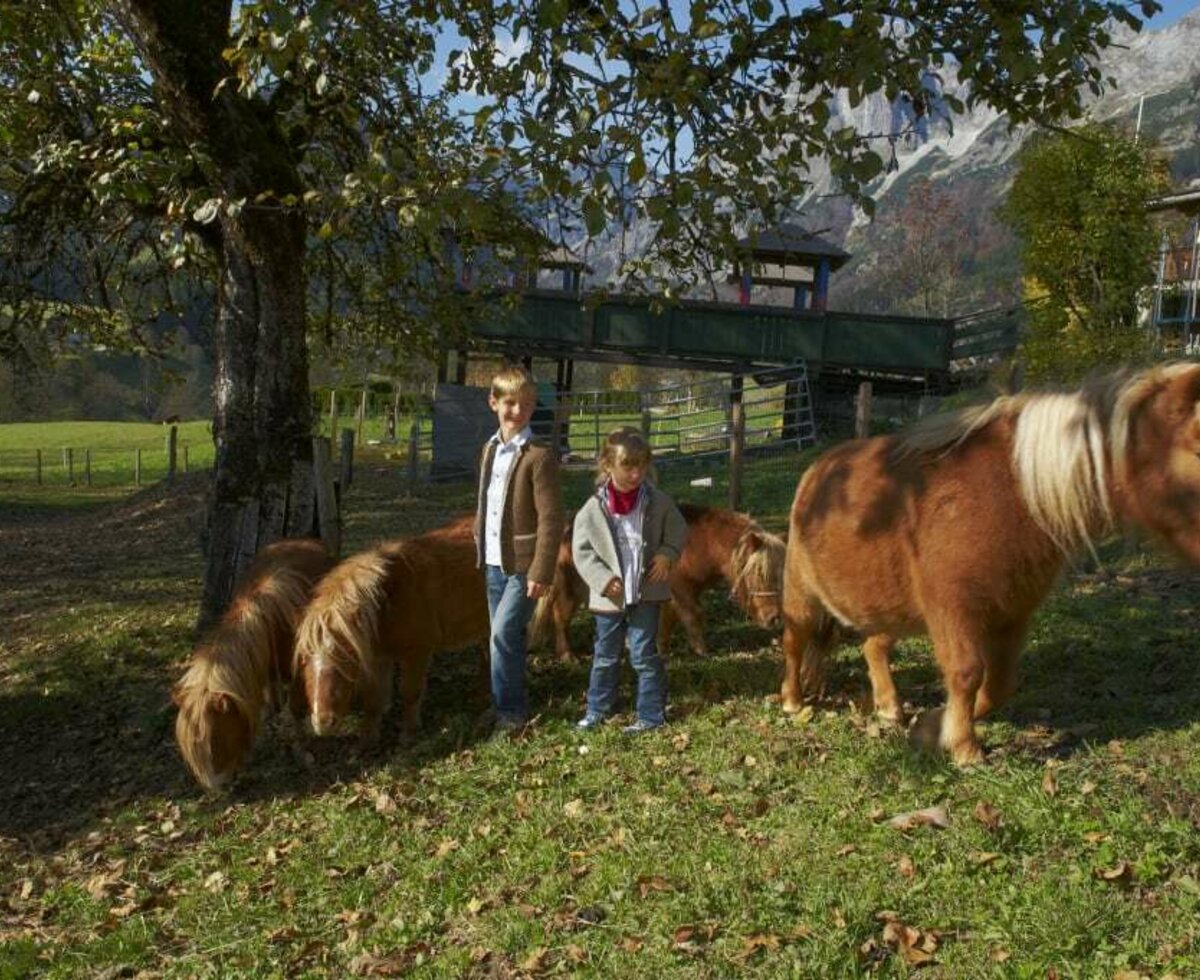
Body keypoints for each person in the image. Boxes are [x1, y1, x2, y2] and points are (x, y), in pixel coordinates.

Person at [571, 427, 687, 733]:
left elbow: (678, 530)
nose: (636, 474)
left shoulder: (658, 502)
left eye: (642, 466)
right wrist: (602, 579)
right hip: (609, 599)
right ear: (608, 465)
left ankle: (650, 715)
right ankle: (599, 708)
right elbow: (581, 551)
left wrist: (666, 555)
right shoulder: (593, 509)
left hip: (646, 594)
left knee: (644, 654)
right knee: (605, 655)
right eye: (628, 466)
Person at [474, 365, 564, 736]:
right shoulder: (490, 448)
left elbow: (552, 519)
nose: (518, 411)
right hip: (494, 562)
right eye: (510, 403)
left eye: (526, 404)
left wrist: (542, 571)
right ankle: (502, 705)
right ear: (493, 402)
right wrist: (479, 538)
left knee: (504, 634)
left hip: (524, 566)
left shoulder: (538, 456)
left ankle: (511, 713)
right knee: (503, 635)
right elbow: (487, 502)